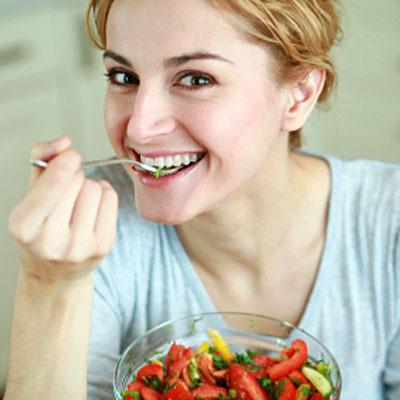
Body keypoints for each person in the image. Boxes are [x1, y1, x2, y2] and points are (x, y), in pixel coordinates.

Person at [4, 0, 400, 398]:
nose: (140, 129)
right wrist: (48, 286)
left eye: (195, 79)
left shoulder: (390, 226)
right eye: (124, 76)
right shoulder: (91, 235)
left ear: (299, 95)